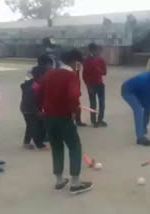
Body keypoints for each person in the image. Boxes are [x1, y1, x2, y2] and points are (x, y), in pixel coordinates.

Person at [37, 49, 93, 194]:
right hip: (64, 117)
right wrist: (74, 111)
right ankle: (75, 183)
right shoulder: (71, 76)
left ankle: (59, 180)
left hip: (49, 117)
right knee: (74, 146)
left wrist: (40, 109)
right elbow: (73, 96)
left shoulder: (49, 74)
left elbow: (37, 91)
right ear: (75, 61)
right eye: (79, 63)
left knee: (56, 147)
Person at [20, 66, 49, 151]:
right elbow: (29, 102)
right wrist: (37, 111)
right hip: (28, 109)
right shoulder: (31, 87)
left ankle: (26, 142)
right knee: (34, 126)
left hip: (35, 108)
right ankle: (39, 145)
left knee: (31, 125)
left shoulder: (39, 84)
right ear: (40, 76)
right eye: (46, 75)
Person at [83, 43, 108, 128]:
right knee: (93, 104)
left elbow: (104, 73)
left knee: (102, 103)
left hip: (100, 84)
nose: (96, 51)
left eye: (97, 50)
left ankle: (100, 120)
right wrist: (88, 87)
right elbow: (84, 76)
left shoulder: (101, 60)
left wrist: (99, 70)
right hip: (91, 85)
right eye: (94, 50)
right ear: (91, 50)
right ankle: (94, 121)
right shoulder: (87, 61)